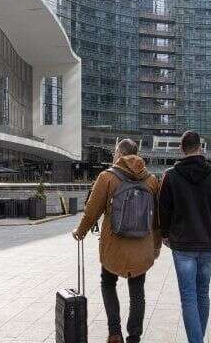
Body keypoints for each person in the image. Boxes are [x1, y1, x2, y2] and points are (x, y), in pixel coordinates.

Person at [72, 138, 161, 343]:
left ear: (119, 154)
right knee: (137, 292)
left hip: (114, 246)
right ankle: (134, 337)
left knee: (108, 283)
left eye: (114, 152)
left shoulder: (106, 177)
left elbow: (91, 211)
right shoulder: (151, 180)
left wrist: (81, 231)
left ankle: (114, 333)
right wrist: (155, 247)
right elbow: (157, 219)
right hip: (141, 248)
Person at [159, 131, 211, 343]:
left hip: (181, 244)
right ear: (200, 147)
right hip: (208, 243)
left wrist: (164, 234)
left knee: (188, 296)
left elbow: (163, 209)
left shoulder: (170, 175)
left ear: (182, 149)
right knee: (203, 293)